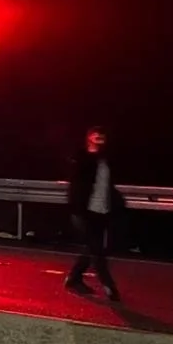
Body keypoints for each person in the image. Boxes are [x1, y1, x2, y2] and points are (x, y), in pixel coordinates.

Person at [66, 126, 122, 301]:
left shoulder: (105, 160)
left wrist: (117, 203)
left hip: (102, 210)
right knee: (96, 249)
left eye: (102, 136)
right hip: (84, 211)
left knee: (94, 248)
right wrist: (76, 209)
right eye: (95, 136)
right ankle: (109, 286)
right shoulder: (82, 158)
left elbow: (108, 186)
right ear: (89, 137)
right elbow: (75, 186)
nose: (99, 138)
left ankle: (74, 278)